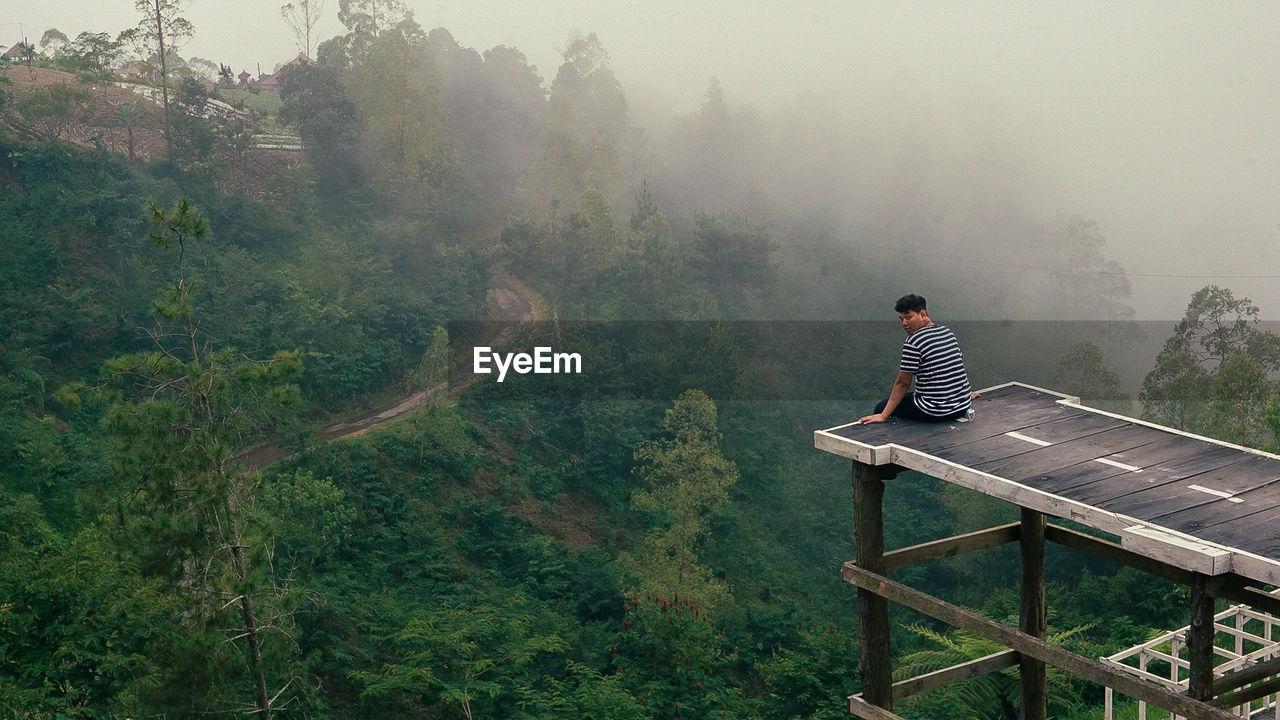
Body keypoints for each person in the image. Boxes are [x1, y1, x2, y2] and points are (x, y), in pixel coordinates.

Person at [857, 293, 972, 424]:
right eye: (901, 319)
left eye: (908, 317)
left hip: (935, 411)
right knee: (909, 397)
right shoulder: (947, 332)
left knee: (881, 407)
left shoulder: (914, 341)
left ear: (923, 314)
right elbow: (957, 368)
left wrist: (883, 416)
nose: (904, 323)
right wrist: (966, 393)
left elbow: (903, 383)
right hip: (962, 406)